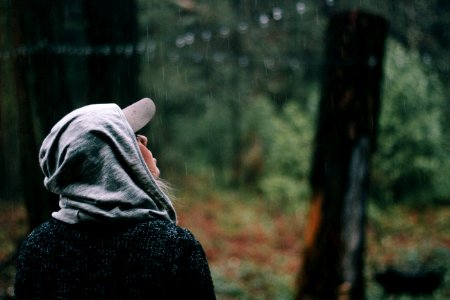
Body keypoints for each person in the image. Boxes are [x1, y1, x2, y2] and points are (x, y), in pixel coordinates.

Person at [14, 98, 216, 299]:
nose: (144, 139)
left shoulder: (38, 246)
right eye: (131, 136)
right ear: (114, 157)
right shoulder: (173, 246)